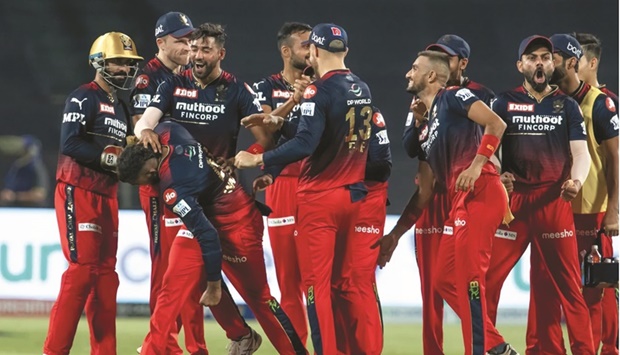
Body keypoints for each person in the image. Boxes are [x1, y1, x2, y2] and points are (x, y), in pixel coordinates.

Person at [134, 23, 306, 355]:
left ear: (220, 54)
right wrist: (144, 131)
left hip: (229, 206)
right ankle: (155, 349)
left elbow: (266, 140)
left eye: (205, 50)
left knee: (259, 297)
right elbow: (146, 119)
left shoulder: (237, 90)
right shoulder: (173, 84)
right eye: (194, 49)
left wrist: (252, 158)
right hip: (189, 201)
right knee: (173, 284)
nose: (197, 55)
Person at [235, 21, 381, 354]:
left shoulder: (319, 89)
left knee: (316, 285)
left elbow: (304, 141)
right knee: (334, 284)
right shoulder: (360, 87)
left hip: (318, 192)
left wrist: (258, 160)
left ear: (315, 51)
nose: (305, 52)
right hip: (345, 192)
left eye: (308, 46)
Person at [380, 34, 496, 355]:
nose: (441, 61)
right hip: (440, 195)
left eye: (447, 58)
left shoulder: (472, 96)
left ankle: (486, 345)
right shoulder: (424, 105)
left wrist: (487, 168)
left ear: (461, 63)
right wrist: (421, 120)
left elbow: (497, 130)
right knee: (437, 286)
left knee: (472, 280)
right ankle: (483, 345)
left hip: (471, 189)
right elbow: (411, 149)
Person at [485, 35, 595, 355]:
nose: (539, 62)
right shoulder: (502, 102)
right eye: (532, 57)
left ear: (552, 64)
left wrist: (576, 181)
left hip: (554, 202)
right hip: (513, 205)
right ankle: (487, 347)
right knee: (487, 284)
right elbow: (489, 150)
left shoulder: (567, 106)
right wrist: (497, 172)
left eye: (545, 57)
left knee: (570, 291)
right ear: (521, 65)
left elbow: (581, 153)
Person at [402, 49, 516, 355]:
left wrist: (477, 165)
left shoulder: (454, 96)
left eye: (414, 68)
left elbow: (497, 124)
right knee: (443, 280)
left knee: (469, 279)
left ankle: (482, 350)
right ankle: (496, 346)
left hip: (480, 190)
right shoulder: (428, 123)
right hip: (461, 201)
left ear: (430, 76)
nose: (407, 74)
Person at [42, 32, 143, 355]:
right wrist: (109, 159)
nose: (124, 69)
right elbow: (70, 143)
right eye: (117, 62)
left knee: (105, 277)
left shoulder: (122, 108)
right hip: (78, 189)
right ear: (98, 62)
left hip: (107, 196)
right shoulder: (83, 96)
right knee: (83, 271)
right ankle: (54, 351)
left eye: (128, 64)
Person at [524, 33, 619, 355]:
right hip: (550, 210)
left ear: (572, 63)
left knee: (592, 292)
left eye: (553, 57)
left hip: (589, 212)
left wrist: (615, 209)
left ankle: (601, 350)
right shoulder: (543, 101)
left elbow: (616, 159)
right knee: (544, 289)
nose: (546, 63)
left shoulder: (600, 103)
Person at [129, 11, 206, 355]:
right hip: (161, 186)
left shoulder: (191, 77)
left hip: (192, 180)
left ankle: (196, 346)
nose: (187, 46)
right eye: (180, 40)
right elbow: (141, 129)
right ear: (161, 42)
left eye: (190, 40)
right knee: (166, 267)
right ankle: (163, 346)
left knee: (192, 270)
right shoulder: (148, 78)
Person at [117, 122, 228, 354]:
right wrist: (145, 129)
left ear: (148, 173)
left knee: (171, 282)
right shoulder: (168, 129)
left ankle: (165, 347)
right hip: (214, 203)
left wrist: (214, 285)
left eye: (141, 183)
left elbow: (206, 233)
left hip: (198, 214)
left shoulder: (169, 188)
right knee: (175, 283)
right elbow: (152, 122)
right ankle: (182, 347)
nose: (144, 186)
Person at [251, 21, 312, 345]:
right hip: (283, 186)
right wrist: (293, 99)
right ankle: (298, 348)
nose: (311, 49)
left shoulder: (327, 83)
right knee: (289, 282)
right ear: (287, 51)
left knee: (321, 278)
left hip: (322, 185)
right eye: (305, 44)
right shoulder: (264, 88)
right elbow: (265, 134)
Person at [0, 135, 49, 207]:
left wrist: (16, 196)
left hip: (34, 211)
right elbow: (8, 189)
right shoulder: (16, 168)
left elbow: (40, 195)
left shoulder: (37, 168)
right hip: (12, 210)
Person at [573, 32, 619, 106]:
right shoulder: (561, 100)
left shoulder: (613, 103)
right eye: (569, 62)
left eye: (576, 62)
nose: (570, 68)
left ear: (592, 64)